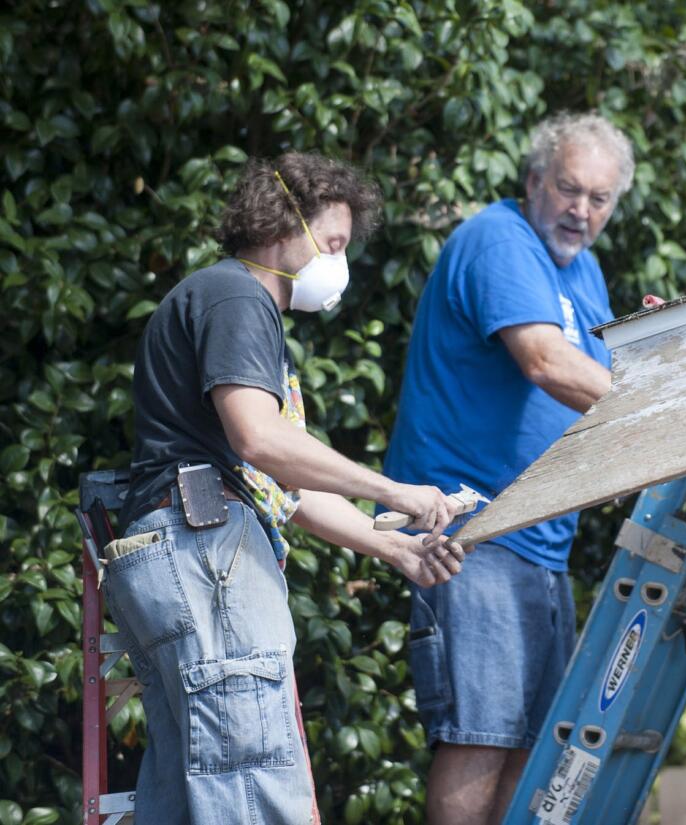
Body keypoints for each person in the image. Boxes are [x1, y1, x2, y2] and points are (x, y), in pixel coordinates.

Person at [109, 152, 468, 824]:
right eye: (332, 242)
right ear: (283, 222)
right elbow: (261, 440)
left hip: (179, 548)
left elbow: (281, 483)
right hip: (206, 552)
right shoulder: (239, 297)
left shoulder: (225, 303)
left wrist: (393, 548)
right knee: (252, 786)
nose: (339, 262)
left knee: (195, 795)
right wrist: (395, 490)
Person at [382, 112, 636, 825]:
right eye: (567, 189)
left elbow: (606, 375)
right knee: (482, 738)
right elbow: (548, 362)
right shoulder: (500, 239)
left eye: (598, 199)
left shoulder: (581, 270)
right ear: (533, 182)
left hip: (541, 545)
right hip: (476, 531)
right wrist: (661, 409)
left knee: (527, 748)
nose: (580, 211)